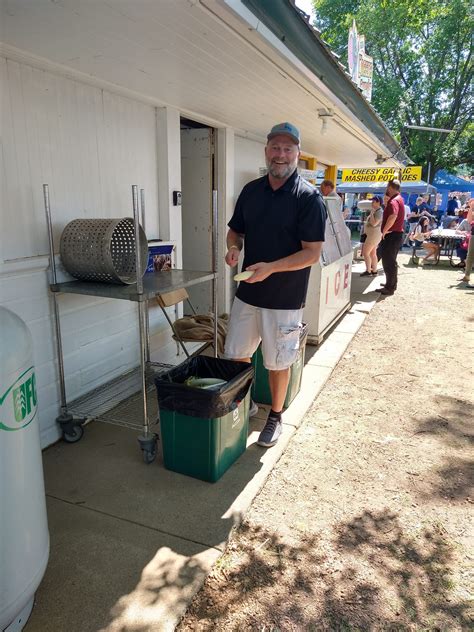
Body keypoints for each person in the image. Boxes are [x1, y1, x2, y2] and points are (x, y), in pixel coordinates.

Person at [224, 122, 326, 448]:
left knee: (278, 362)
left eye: (288, 149)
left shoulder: (308, 198)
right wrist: (233, 248)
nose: (280, 154)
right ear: (266, 150)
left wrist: (271, 269)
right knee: (236, 355)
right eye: (275, 147)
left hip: (285, 298)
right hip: (248, 292)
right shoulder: (251, 191)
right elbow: (235, 230)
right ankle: (249, 402)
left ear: (298, 154)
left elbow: (312, 253)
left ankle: (275, 416)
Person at [375, 179, 405, 296]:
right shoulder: (399, 199)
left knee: (389, 261)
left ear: (390, 187)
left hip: (392, 235)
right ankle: (390, 283)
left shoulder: (394, 201)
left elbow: (393, 216)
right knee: (390, 260)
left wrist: (385, 230)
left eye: (388, 187)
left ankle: (390, 287)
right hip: (395, 234)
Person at [360, 196, 383, 276]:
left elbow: (374, 224)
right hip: (373, 235)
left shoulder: (379, 212)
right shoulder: (377, 211)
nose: (371, 203)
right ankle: (374, 271)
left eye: (373, 202)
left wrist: (372, 213)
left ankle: (368, 271)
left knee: (366, 253)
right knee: (373, 253)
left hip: (373, 236)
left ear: (378, 202)